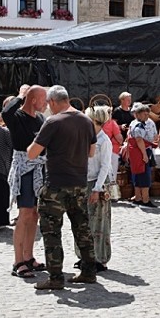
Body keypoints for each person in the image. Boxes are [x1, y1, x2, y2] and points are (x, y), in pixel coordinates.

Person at [28, 85, 98, 290]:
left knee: (51, 232)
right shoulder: (86, 120)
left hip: (56, 185)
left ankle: (56, 277)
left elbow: (32, 153)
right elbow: (91, 152)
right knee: (82, 229)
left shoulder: (53, 122)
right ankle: (88, 272)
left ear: (52, 102)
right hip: (79, 183)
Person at [4, 84, 47, 279]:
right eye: (43, 99)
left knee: (35, 214)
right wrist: (21, 94)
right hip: (24, 169)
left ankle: (29, 256)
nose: (46, 103)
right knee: (24, 214)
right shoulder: (17, 117)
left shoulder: (40, 118)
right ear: (33, 100)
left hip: (39, 168)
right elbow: (6, 111)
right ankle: (18, 261)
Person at [76, 105, 114, 272]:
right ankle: (83, 256)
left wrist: (97, 188)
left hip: (97, 183)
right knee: (82, 222)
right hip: (84, 182)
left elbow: (105, 166)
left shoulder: (104, 141)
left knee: (98, 223)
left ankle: (99, 258)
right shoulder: (86, 138)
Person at [128, 103, 157, 208]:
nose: (146, 116)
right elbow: (139, 140)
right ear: (138, 114)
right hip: (141, 152)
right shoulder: (138, 125)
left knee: (138, 175)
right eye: (144, 114)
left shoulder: (137, 124)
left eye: (147, 114)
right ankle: (145, 199)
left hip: (137, 152)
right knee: (145, 176)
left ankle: (138, 198)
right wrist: (145, 155)